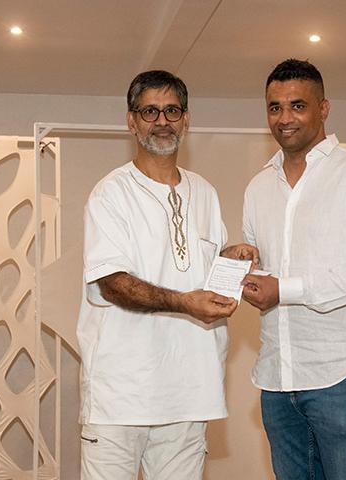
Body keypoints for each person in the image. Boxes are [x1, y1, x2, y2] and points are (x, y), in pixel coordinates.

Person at [77, 69, 257, 480]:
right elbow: (112, 283)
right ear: (132, 121)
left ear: (186, 119)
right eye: (150, 112)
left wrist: (230, 258)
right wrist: (183, 302)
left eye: (172, 111)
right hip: (121, 397)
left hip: (190, 393)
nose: (162, 121)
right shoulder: (112, 193)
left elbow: (198, 268)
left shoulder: (204, 191)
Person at [241, 59, 346, 479]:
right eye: (275, 107)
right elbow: (264, 271)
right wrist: (241, 266)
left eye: (297, 105)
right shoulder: (258, 186)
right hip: (278, 374)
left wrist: (284, 289)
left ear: (324, 108)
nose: (285, 118)